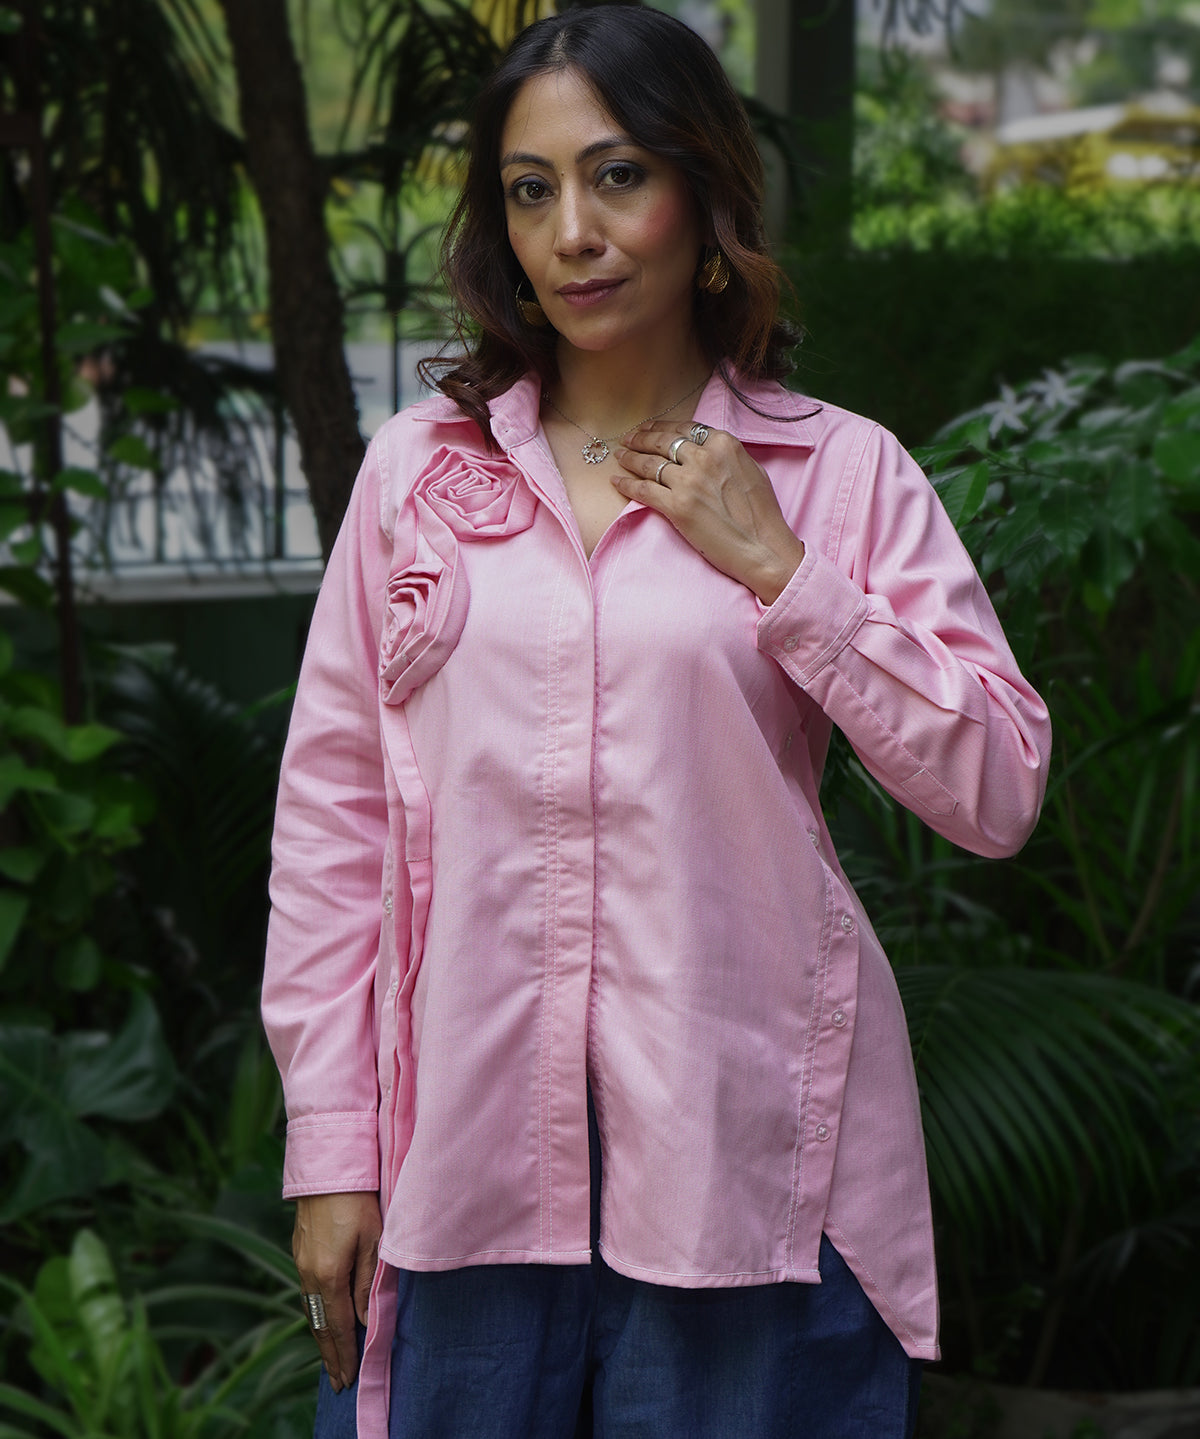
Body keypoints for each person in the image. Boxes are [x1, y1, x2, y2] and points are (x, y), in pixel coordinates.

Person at [261, 6, 1051, 1437]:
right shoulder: (414, 477)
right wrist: (331, 1150)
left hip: (740, 1167)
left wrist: (786, 573)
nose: (574, 232)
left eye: (618, 175)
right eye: (531, 189)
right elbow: (333, 822)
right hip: (457, 1166)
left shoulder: (838, 474)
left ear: (705, 195)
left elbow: (998, 788)